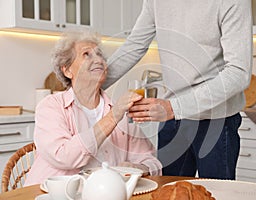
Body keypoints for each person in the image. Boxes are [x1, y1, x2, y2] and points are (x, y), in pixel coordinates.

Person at [103, 0, 252, 179]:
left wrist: (174, 108)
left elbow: (238, 73)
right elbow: (134, 45)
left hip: (216, 120)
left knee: (217, 193)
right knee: (167, 191)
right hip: (172, 121)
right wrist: (90, 85)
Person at [24, 31, 162, 186]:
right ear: (67, 70)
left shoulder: (120, 110)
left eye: (100, 55)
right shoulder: (51, 106)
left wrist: (137, 167)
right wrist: (114, 116)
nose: (98, 60)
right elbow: (64, 157)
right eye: (86, 54)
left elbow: (153, 162)